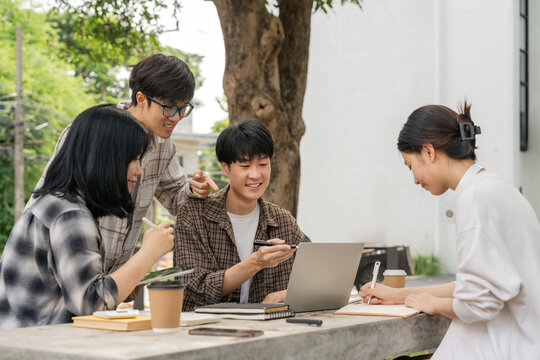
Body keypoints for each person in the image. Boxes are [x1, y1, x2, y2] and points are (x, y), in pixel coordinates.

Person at [358, 102, 540, 359]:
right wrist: (400, 295)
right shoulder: (496, 188)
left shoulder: (475, 199)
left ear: (429, 151)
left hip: (509, 347)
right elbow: (473, 285)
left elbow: (478, 304)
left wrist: (431, 303)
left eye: (410, 166)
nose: (414, 179)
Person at [28, 54, 218, 277]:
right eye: (168, 107)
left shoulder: (164, 145)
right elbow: (50, 202)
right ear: (141, 98)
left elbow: (177, 199)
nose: (176, 118)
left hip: (106, 283)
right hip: (56, 274)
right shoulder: (91, 132)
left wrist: (196, 189)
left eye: (183, 109)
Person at [0, 105, 174, 328]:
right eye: (133, 159)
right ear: (105, 158)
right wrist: (148, 254)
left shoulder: (57, 202)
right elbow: (92, 303)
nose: (138, 171)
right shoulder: (70, 215)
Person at [174, 119, 310, 311]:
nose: (255, 175)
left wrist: (284, 295)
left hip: (271, 331)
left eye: (263, 164)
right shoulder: (194, 215)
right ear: (225, 168)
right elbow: (192, 290)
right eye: (245, 166)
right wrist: (256, 262)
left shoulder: (282, 220)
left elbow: (314, 277)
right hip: (207, 333)